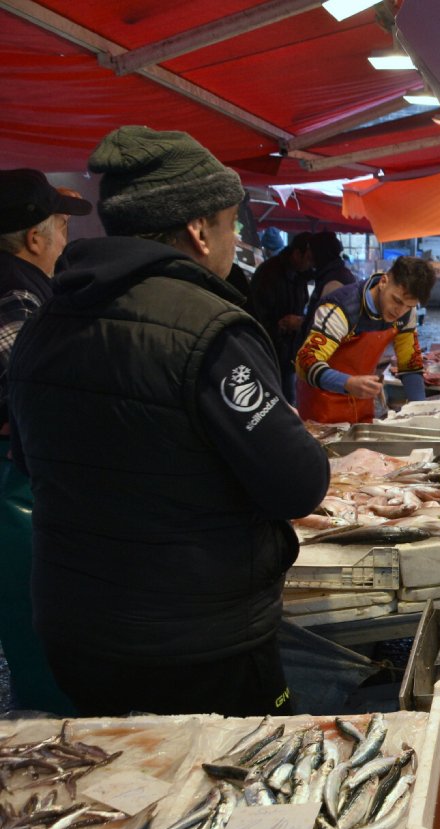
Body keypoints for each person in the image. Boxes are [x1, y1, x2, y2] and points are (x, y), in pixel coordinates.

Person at [7, 126, 330, 717]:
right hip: (197, 644)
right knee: (233, 794)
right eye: (232, 222)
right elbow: (298, 484)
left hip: (77, 635)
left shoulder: (44, 322)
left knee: (129, 793)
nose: (235, 238)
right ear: (199, 230)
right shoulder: (210, 327)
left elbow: (33, 465)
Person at [0, 170, 91, 715]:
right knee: (39, 618)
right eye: (61, 225)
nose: (66, 238)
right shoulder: (16, 292)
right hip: (13, 484)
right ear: (35, 237)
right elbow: (32, 388)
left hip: (21, 476)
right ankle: (57, 740)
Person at [296, 256, 434, 423]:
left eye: (409, 306)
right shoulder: (341, 309)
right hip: (320, 406)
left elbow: (410, 365)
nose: (400, 311)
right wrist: (347, 383)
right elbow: (305, 363)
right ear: (383, 281)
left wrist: (421, 412)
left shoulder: (405, 314)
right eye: (396, 300)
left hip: (361, 404)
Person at [249, 231, 313, 400]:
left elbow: (302, 304)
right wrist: (281, 327)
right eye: (308, 258)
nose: (311, 264)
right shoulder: (269, 273)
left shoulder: (300, 274)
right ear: (297, 254)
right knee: (278, 400)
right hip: (271, 352)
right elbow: (260, 315)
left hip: (290, 353)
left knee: (290, 399)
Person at [302, 231, 356, 338]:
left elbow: (325, 324)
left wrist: (301, 323)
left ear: (319, 253)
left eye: (311, 250)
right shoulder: (332, 274)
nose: (308, 255)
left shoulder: (334, 281)